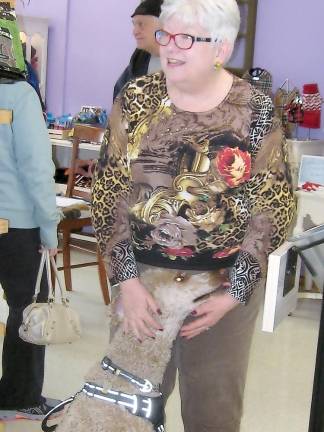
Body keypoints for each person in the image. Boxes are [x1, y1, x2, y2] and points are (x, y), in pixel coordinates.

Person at [92, 0, 296, 430]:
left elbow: (272, 207)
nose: (170, 47)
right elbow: (110, 193)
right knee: (124, 411)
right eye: (165, 35)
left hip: (219, 285)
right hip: (142, 281)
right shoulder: (136, 98)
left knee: (213, 413)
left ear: (221, 47)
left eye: (187, 38)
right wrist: (126, 281)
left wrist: (235, 292)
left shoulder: (255, 109)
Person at [0, 2, 61, 421]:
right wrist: (50, 230)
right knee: (28, 309)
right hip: (16, 228)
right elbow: (38, 171)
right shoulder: (19, 95)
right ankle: (20, 395)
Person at [113, 0, 163, 100]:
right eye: (134, 24)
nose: (135, 32)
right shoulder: (139, 58)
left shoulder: (184, 59)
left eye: (141, 24)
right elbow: (119, 94)